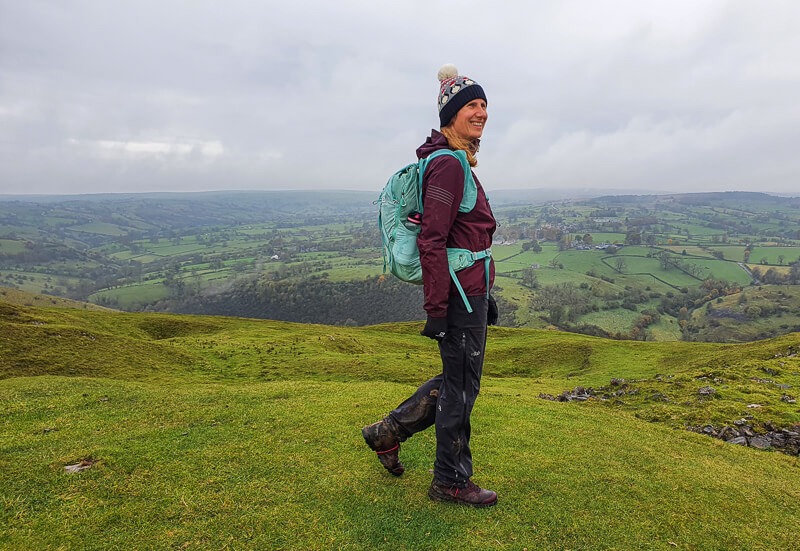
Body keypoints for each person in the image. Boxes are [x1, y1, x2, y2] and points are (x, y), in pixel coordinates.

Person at [363, 64, 498, 507]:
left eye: (483, 104)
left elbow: (466, 237)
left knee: (460, 380)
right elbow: (433, 240)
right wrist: (437, 309)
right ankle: (450, 481)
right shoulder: (447, 166)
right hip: (456, 296)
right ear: (451, 114)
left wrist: (485, 295)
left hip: (469, 291)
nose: (480, 112)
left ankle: (389, 431)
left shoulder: (453, 160)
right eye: (470, 106)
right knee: (461, 387)